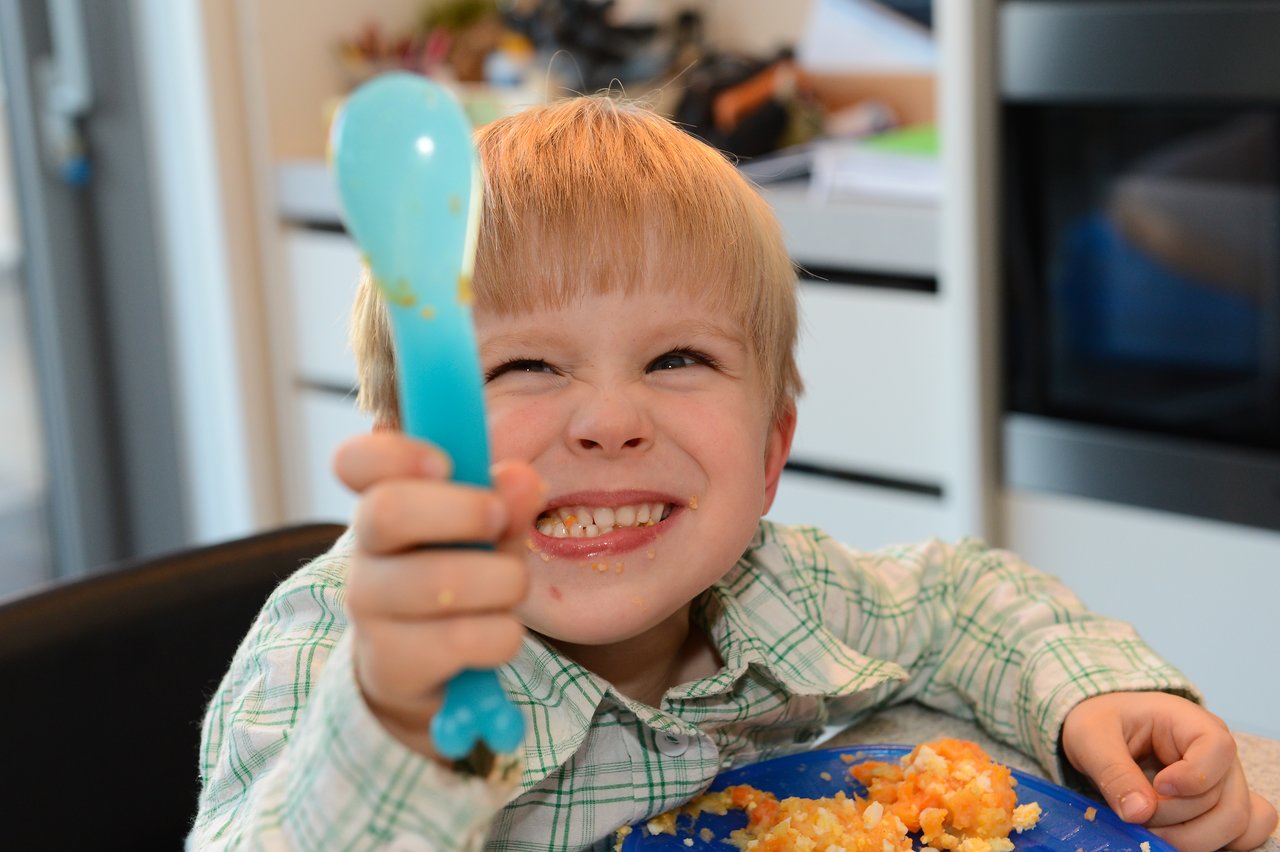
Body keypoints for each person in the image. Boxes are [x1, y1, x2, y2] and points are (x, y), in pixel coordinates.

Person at [190, 96, 1277, 851]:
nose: (611, 421)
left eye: (677, 359)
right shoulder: (339, 653)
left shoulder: (772, 590)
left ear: (767, 453)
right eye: (523, 364)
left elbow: (962, 598)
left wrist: (1100, 696)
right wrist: (387, 727)